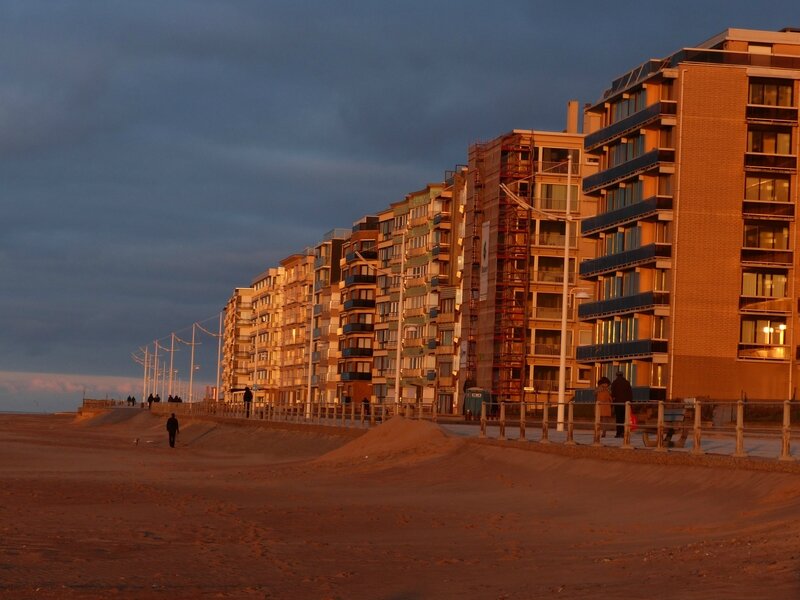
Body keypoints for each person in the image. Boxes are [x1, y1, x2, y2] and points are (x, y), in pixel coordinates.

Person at [610, 371, 633, 438]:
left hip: (618, 403)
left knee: (618, 418)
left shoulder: (615, 383)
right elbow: (630, 393)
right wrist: (630, 403)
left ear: (617, 375)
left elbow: (613, 393)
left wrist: (613, 403)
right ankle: (624, 432)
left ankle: (618, 433)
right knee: (624, 418)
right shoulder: (627, 382)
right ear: (622, 375)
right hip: (625, 404)